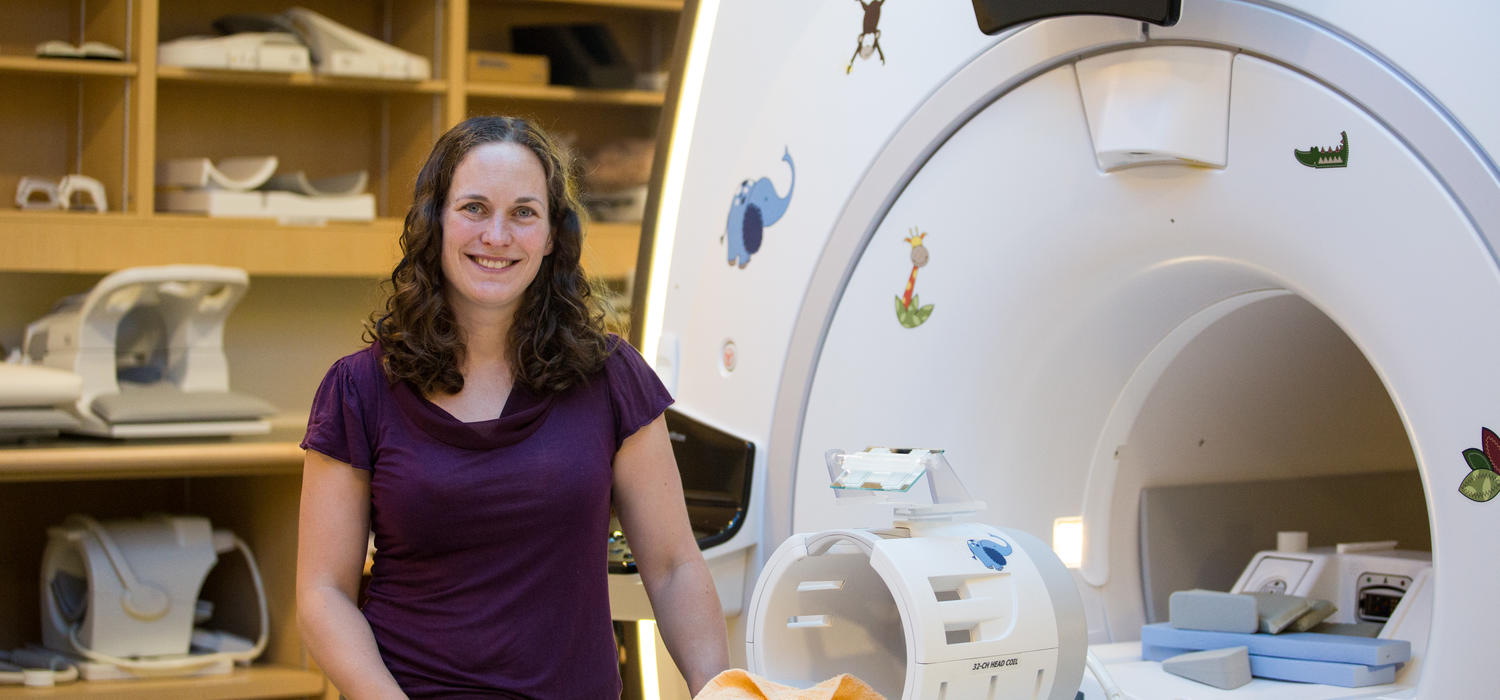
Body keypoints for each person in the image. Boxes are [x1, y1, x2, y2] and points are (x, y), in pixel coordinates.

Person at [296, 115, 729, 699]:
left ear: (552, 235)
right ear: (435, 222)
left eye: (524, 212)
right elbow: (322, 594)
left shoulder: (611, 377)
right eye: (474, 208)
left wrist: (716, 688)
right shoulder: (359, 390)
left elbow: (675, 565)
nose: (497, 235)